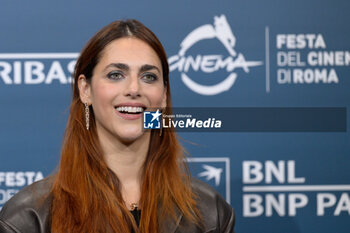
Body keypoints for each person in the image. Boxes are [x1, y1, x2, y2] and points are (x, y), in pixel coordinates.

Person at [0, 19, 235, 233]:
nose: (134, 89)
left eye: (148, 77)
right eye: (115, 75)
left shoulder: (210, 213)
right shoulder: (28, 219)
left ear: (163, 95)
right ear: (85, 90)